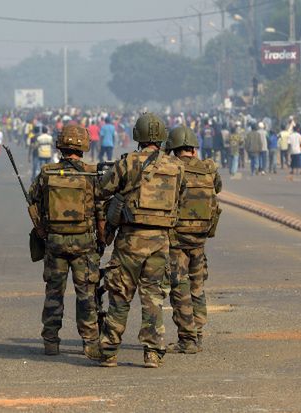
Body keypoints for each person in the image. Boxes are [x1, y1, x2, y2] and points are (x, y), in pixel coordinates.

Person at [95, 113, 184, 368]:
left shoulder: (128, 163)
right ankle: (153, 353)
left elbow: (102, 189)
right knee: (153, 297)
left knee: (120, 296)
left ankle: (109, 350)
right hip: (160, 241)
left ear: (138, 136)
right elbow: (180, 196)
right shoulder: (175, 166)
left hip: (130, 242)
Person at [28, 125, 104, 360]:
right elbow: (101, 211)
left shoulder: (47, 172)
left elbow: (34, 200)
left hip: (55, 243)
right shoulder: (92, 174)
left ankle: (51, 341)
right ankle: (90, 343)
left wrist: (42, 229)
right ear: (84, 146)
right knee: (87, 295)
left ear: (60, 146)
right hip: (84, 243)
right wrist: (102, 239)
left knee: (53, 293)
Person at [165, 126, 221, 354]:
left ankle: (187, 340)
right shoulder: (208, 169)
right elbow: (217, 188)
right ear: (193, 149)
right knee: (198, 287)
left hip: (177, 238)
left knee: (180, 288)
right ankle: (197, 333)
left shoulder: (172, 168)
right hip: (200, 238)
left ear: (174, 149)